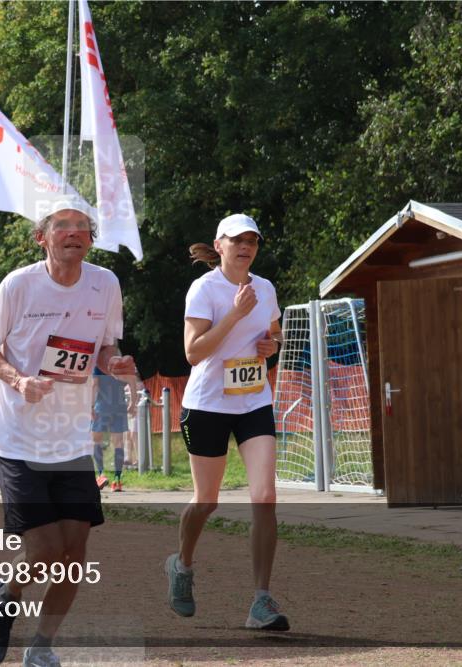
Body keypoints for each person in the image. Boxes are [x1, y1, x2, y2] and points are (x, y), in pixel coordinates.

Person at [0, 199, 137, 667]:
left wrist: (115, 363)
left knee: (74, 554)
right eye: (62, 226)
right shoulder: (18, 286)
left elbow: (106, 346)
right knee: (43, 550)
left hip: (71, 441)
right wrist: (18, 380)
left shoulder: (104, 284)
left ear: (91, 238)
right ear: (41, 238)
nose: (74, 233)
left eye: (82, 227)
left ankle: (41, 645)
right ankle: (4, 598)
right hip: (20, 439)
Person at [165, 213, 288, 631]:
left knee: (265, 496)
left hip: (253, 402)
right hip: (207, 406)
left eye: (252, 240)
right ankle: (181, 565)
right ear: (219, 245)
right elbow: (193, 353)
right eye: (237, 240)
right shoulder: (204, 289)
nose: (245, 246)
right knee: (207, 500)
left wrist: (271, 344)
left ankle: (261, 600)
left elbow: (273, 334)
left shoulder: (265, 288)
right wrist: (234, 316)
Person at [90, 366, 136, 492]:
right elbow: (132, 382)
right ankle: (117, 480)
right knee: (119, 443)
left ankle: (100, 474)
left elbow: (94, 384)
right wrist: (133, 402)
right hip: (120, 406)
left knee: (96, 441)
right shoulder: (122, 363)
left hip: (102, 406)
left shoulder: (99, 366)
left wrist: (91, 405)